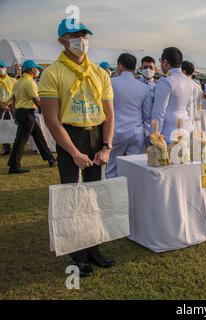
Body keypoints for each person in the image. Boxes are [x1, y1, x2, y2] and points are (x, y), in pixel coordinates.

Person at [39, 18, 115, 277]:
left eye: (84, 35)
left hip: (96, 135)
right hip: (69, 137)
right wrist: (73, 152)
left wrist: (106, 146)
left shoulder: (100, 73)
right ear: (62, 40)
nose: (81, 40)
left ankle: (94, 248)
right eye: (74, 35)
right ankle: (77, 254)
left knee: (94, 196)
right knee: (71, 197)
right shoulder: (52, 73)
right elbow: (51, 118)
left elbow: (109, 114)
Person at [106, 53, 152, 178]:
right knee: (134, 170)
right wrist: (148, 137)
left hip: (115, 132)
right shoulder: (143, 87)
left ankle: (113, 196)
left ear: (119, 66)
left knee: (112, 169)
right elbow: (147, 116)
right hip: (136, 133)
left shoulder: (110, 82)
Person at [7, 60, 55, 173]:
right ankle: (14, 166)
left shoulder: (18, 82)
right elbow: (37, 100)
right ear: (32, 69)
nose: (37, 71)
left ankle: (50, 158)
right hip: (27, 113)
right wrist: (47, 111)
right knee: (21, 140)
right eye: (36, 69)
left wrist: (15, 114)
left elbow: (13, 99)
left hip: (21, 112)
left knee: (38, 136)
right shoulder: (29, 82)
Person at [151, 47, 194, 142]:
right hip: (187, 127)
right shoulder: (189, 81)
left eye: (161, 61)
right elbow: (188, 108)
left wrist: (155, 134)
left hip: (170, 131)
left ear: (165, 62)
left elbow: (159, 111)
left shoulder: (166, 81)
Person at [0, 60, 17, 155]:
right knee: (2, 126)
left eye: (2, 67)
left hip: (11, 106)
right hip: (0, 106)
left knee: (13, 125)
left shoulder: (13, 80)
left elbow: (16, 94)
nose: (0, 69)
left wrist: (8, 103)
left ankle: (15, 146)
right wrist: (2, 104)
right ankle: (5, 147)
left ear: (6, 68)